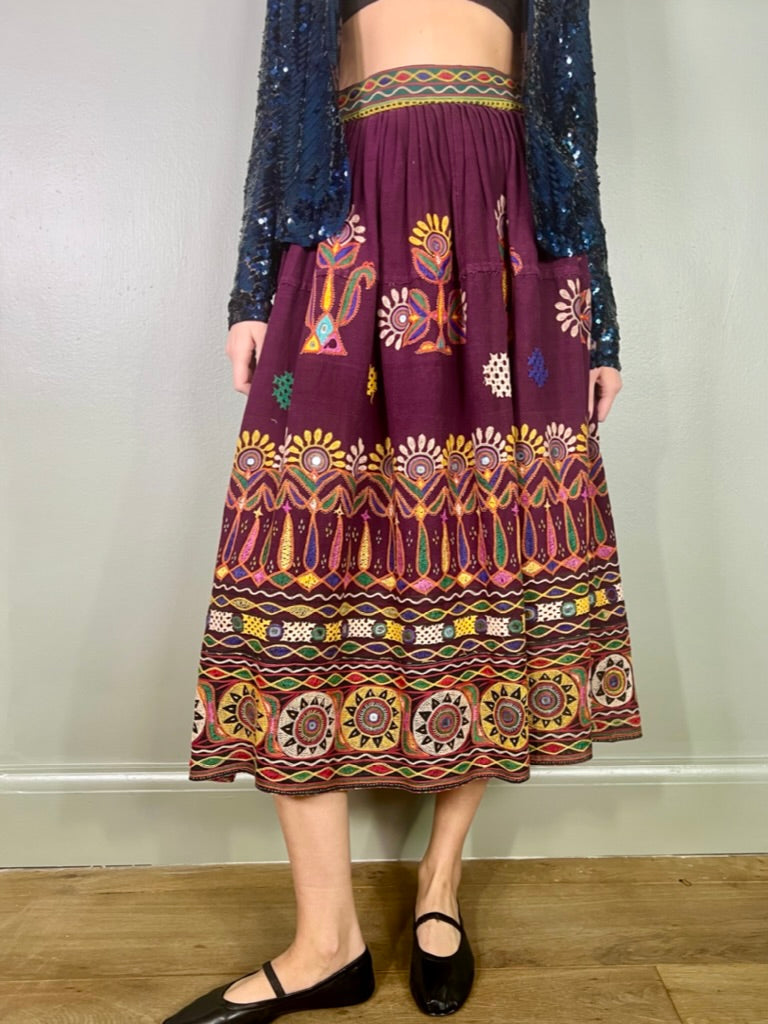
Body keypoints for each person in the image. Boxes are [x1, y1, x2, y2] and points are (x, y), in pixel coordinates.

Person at [166, 1, 644, 1021]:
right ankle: (325, 942)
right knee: (294, 562)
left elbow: (568, 123)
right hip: (347, 236)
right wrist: (252, 292)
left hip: (503, 244)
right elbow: (284, 106)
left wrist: (598, 319)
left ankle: (439, 882)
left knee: (491, 552)